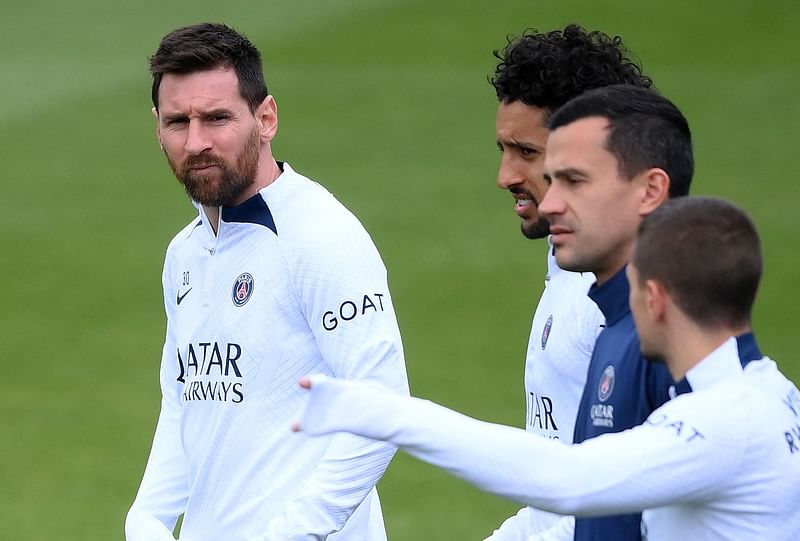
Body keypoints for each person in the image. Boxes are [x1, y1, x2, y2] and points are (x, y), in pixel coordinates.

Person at [295, 196, 800, 540]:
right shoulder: (771, 392)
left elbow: (568, 480)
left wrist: (387, 415)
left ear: (655, 298)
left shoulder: (722, 425)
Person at [125, 23, 409, 541]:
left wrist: (296, 532)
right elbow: (183, 402)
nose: (196, 141)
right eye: (176, 122)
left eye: (216, 118)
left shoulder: (321, 236)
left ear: (266, 117)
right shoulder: (184, 254)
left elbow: (380, 408)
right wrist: (147, 519)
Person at [490, 26, 653, 539]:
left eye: (527, 152)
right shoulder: (569, 266)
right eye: (503, 148)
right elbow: (554, 490)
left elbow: (634, 504)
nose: (505, 175)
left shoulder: (639, 304)